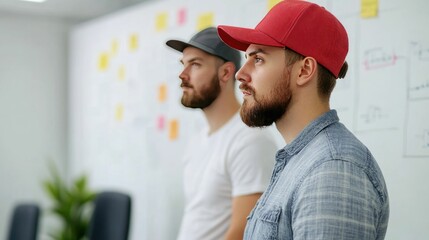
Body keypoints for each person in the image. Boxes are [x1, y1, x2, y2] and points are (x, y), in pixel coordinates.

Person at [217, 1, 390, 239]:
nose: (240, 73)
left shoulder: (332, 171)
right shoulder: (302, 160)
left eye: (258, 59)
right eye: (246, 58)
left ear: (304, 71)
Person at [166, 27, 278, 240]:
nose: (183, 75)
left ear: (226, 73)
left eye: (195, 64)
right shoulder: (198, 139)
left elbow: (242, 232)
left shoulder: (250, 140)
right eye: (183, 64)